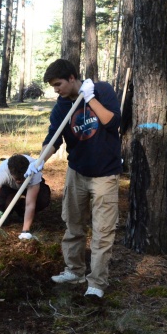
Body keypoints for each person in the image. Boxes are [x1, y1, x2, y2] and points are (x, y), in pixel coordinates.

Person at [24, 58, 122, 300]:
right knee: (73, 226)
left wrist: (90, 99)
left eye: (58, 84)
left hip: (105, 175)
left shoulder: (102, 91)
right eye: (53, 86)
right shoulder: (60, 108)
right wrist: (38, 163)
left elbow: (112, 122)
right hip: (77, 173)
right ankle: (75, 271)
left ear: (71, 78)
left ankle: (97, 283)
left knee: (102, 232)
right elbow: (53, 140)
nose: (56, 90)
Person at [0, 154, 52, 241]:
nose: (19, 181)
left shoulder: (34, 169)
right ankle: (9, 209)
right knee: (1, 202)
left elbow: (30, 204)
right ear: (10, 173)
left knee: (42, 199)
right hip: (9, 187)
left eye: (22, 179)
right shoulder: (2, 172)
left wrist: (25, 231)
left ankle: (22, 212)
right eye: (17, 179)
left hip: (29, 187)